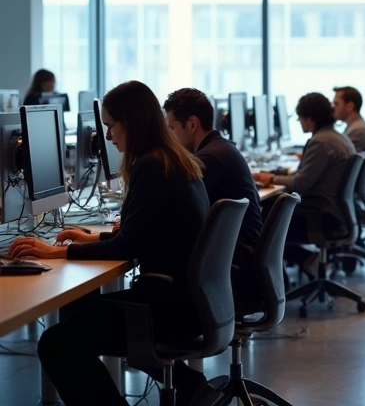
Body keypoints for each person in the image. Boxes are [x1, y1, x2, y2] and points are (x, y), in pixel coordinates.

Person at [8, 80, 213, 406]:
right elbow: (147, 232)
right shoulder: (174, 160)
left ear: (130, 123)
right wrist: (94, 236)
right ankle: (192, 384)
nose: (106, 136)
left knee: (56, 342)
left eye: (110, 126)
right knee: (78, 312)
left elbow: (128, 247)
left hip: (167, 311)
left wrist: (58, 251)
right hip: (189, 302)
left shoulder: (151, 166)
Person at [162, 87, 264, 312]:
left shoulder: (208, 159)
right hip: (240, 265)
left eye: (172, 128)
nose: (170, 137)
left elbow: (178, 214)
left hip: (233, 272)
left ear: (192, 124)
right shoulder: (223, 149)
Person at [254, 93, 355, 271]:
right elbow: (308, 172)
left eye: (300, 118)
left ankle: (288, 273)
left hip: (320, 216)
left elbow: (301, 183)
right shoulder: (336, 137)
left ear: (310, 119)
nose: (300, 123)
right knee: (271, 208)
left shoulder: (321, 142)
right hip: (333, 212)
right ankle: (306, 262)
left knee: (262, 219)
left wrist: (271, 178)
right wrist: (278, 173)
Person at [333, 86, 365, 154]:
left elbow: (341, 159)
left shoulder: (358, 131)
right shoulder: (359, 126)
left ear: (350, 106)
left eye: (336, 104)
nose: (333, 108)